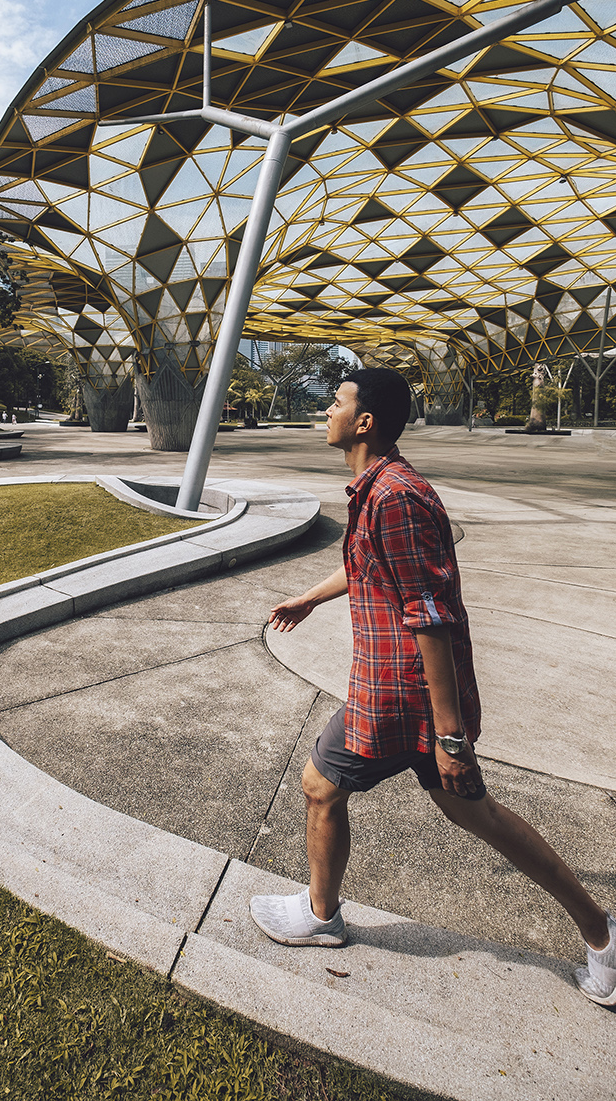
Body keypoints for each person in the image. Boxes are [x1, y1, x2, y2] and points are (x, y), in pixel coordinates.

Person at [250, 368, 616, 1007]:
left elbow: (429, 615)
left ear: (364, 422)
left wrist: (449, 736)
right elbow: (365, 565)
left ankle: (320, 915)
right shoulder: (380, 488)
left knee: (319, 785)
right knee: (478, 815)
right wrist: (308, 598)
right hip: (399, 694)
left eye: (335, 404)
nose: (325, 412)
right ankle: (602, 934)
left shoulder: (396, 497)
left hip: (399, 697)